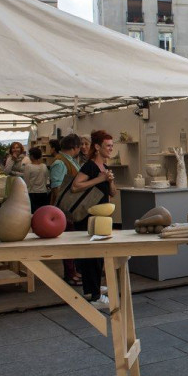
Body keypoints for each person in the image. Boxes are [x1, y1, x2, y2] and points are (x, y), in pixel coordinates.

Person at [70, 130, 117, 308]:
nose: (111, 149)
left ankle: (95, 287)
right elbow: (76, 186)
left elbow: (113, 193)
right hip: (87, 217)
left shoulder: (104, 167)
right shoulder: (90, 166)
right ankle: (93, 295)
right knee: (91, 256)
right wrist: (99, 179)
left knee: (98, 255)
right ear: (97, 147)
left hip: (99, 219)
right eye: (108, 146)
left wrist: (109, 180)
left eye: (112, 145)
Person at [49, 133, 83, 286]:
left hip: (71, 207)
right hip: (64, 209)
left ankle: (73, 271)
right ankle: (69, 274)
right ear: (75, 147)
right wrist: (63, 207)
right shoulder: (60, 162)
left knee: (72, 240)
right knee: (68, 241)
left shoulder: (69, 160)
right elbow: (56, 187)